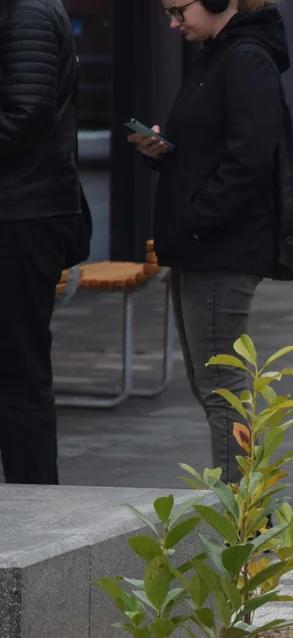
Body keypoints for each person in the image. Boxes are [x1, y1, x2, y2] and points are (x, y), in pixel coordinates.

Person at [131, 0, 292, 484]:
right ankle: (242, 512)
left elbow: (249, 160)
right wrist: (162, 152)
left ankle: (241, 520)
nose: (174, 23)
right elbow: (212, 146)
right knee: (212, 385)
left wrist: (198, 218)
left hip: (221, 248)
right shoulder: (217, 54)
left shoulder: (245, 59)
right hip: (200, 244)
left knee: (223, 387)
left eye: (179, 10)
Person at [0, 0, 89, 484]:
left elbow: (25, 112)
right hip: (23, 213)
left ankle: (34, 504)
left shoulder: (27, 14)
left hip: (21, 218)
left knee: (19, 371)